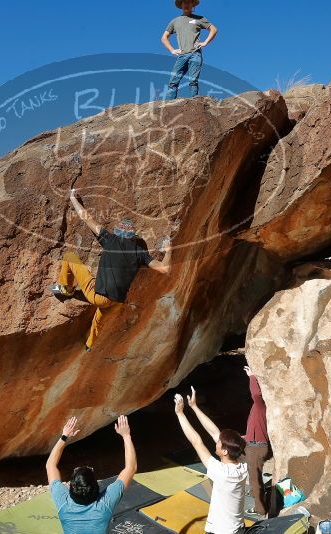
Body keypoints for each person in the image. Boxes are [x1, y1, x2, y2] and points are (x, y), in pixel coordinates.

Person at [49, 188, 172, 351]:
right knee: (99, 318)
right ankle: (89, 346)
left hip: (98, 296)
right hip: (116, 302)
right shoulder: (140, 253)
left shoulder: (111, 240)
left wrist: (73, 198)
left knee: (70, 257)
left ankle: (66, 289)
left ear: (118, 232)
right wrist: (169, 250)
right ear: (132, 237)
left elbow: (86, 218)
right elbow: (164, 268)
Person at [174, 387, 248, 534]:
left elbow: (196, 441)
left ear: (225, 451)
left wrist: (180, 413)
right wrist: (194, 407)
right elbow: (214, 432)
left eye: (219, 443)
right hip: (238, 528)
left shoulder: (221, 472)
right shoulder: (242, 463)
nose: (216, 442)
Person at [46, 415, 137, 534]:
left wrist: (64, 437)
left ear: (71, 488)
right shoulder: (104, 504)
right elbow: (131, 467)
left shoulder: (63, 502)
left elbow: (50, 465)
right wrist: (126, 436)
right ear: (97, 486)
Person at [161, 0, 218, 99]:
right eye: (184, 2)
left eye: (189, 2)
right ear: (181, 5)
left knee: (193, 81)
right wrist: (172, 50)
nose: (186, 4)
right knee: (173, 82)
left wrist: (205, 42)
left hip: (195, 54)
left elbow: (213, 29)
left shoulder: (199, 19)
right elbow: (164, 37)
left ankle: (194, 104)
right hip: (182, 55)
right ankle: (169, 105)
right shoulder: (175, 21)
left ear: (193, 5)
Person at [243, 364, 275, 517]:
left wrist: (252, 377)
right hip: (254, 444)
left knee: (255, 480)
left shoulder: (261, 405)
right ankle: (256, 493)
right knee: (254, 475)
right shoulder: (260, 409)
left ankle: (260, 509)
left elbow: (256, 395)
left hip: (256, 447)